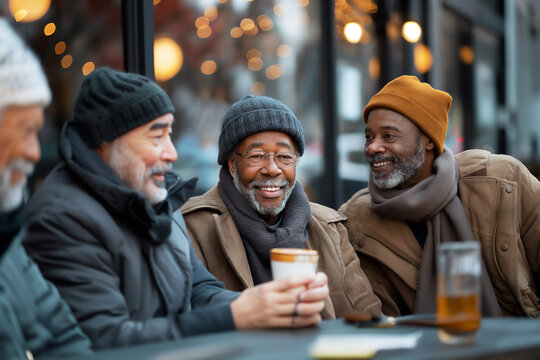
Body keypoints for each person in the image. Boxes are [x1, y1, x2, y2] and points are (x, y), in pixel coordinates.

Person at [22, 67, 329, 350]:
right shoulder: (62, 217)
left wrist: (263, 303)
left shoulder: (155, 198)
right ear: (106, 142)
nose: (172, 152)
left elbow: (199, 289)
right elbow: (104, 340)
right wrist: (235, 316)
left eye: (170, 134)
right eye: (157, 136)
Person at [339, 75, 540, 318]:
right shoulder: (358, 219)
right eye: (369, 136)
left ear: (428, 141)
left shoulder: (501, 178)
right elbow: (375, 317)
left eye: (388, 136)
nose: (371, 148)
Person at [181, 95, 381, 318]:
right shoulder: (193, 225)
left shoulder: (329, 227)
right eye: (257, 156)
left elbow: (368, 315)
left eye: (285, 156)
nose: (273, 169)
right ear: (232, 165)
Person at [0, 18, 92, 358]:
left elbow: (66, 338)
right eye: (25, 130)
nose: (34, 152)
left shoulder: (8, 245)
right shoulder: (64, 214)